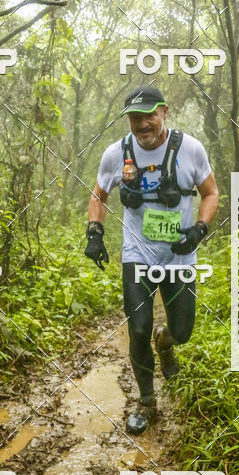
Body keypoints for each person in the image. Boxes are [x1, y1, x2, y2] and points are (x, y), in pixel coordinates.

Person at [84, 85, 219, 434]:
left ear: (164, 112)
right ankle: (146, 402)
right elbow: (98, 195)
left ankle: (167, 343)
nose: (143, 124)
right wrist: (94, 232)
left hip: (180, 258)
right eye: (135, 118)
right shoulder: (116, 154)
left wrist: (200, 229)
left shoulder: (190, 149)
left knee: (183, 331)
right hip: (137, 256)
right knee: (138, 330)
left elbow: (211, 192)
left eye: (149, 115)